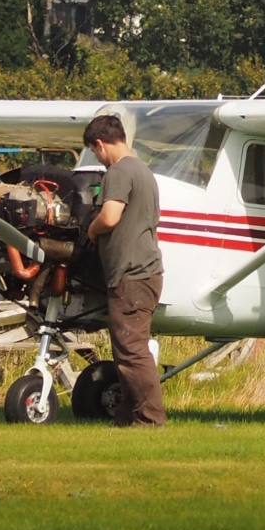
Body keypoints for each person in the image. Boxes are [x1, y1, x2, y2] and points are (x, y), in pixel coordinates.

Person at [83, 114, 166, 427]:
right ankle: (126, 418)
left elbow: (110, 216)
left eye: (95, 151)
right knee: (129, 349)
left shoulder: (118, 172)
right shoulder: (143, 171)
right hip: (145, 272)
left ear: (100, 144)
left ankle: (150, 419)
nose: (98, 158)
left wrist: (91, 231)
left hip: (132, 274)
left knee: (131, 351)